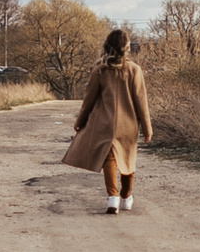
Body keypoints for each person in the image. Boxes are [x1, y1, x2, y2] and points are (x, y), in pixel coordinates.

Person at [61, 28, 154, 213]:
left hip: (104, 123)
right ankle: (126, 197)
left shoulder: (100, 69)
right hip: (128, 125)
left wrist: (80, 121)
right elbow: (141, 102)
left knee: (109, 160)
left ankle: (112, 198)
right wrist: (147, 128)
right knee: (127, 160)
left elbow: (89, 100)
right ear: (126, 47)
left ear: (107, 45)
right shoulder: (135, 70)